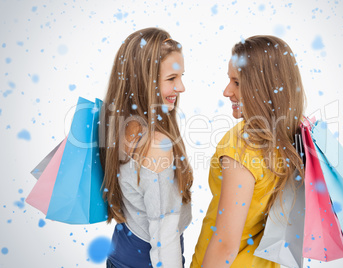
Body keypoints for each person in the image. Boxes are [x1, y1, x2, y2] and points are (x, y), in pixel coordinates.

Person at [190, 35, 306, 267]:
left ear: (262, 88)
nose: (226, 91)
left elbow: (225, 244)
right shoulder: (292, 135)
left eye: (237, 83)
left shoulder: (242, 146)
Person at [99, 27, 193, 268]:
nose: (181, 87)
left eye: (181, 76)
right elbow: (164, 235)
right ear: (143, 82)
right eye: (172, 79)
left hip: (121, 250)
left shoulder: (118, 126)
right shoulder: (156, 144)